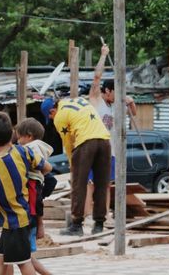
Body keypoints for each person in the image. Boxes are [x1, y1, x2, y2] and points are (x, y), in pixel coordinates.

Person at [0, 112, 52, 275]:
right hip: (18, 217)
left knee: (23, 263)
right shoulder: (23, 152)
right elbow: (47, 167)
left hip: (15, 221)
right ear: (12, 133)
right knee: (1, 259)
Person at [44, 97, 111, 236]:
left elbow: (68, 143)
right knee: (101, 185)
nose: (52, 119)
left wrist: (71, 162)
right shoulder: (79, 101)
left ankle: (76, 225)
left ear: (52, 110)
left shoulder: (60, 116)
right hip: (105, 141)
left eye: (50, 116)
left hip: (86, 143)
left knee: (79, 184)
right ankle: (99, 224)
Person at [85, 43, 138, 220]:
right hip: (93, 148)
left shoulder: (116, 106)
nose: (117, 95)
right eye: (115, 91)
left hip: (110, 151)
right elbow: (97, 76)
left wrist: (130, 102)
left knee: (106, 185)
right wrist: (103, 55)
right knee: (90, 184)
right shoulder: (96, 100)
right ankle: (86, 216)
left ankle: (104, 215)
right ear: (107, 91)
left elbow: (134, 114)